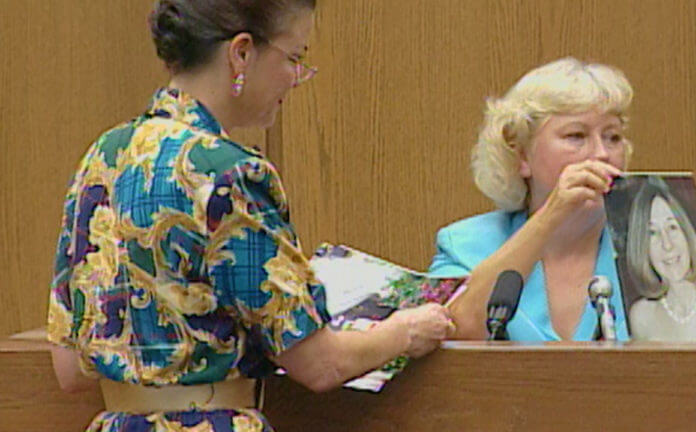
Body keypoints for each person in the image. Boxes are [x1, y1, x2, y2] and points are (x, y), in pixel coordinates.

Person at [46, 1, 453, 430]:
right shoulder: (228, 173)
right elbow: (319, 364)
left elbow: (69, 368)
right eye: (294, 58)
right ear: (241, 52)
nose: (297, 78)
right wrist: (406, 330)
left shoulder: (101, 158)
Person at [429, 57, 632, 341]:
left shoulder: (653, 248)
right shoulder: (466, 246)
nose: (602, 153)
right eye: (576, 135)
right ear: (522, 155)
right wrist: (553, 214)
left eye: (613, 137)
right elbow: (454, 331)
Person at [626, 177, 696, 342]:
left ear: (688, 234)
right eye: (652, 233)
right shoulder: (641, 317)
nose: (667, 244)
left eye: (672, 227)